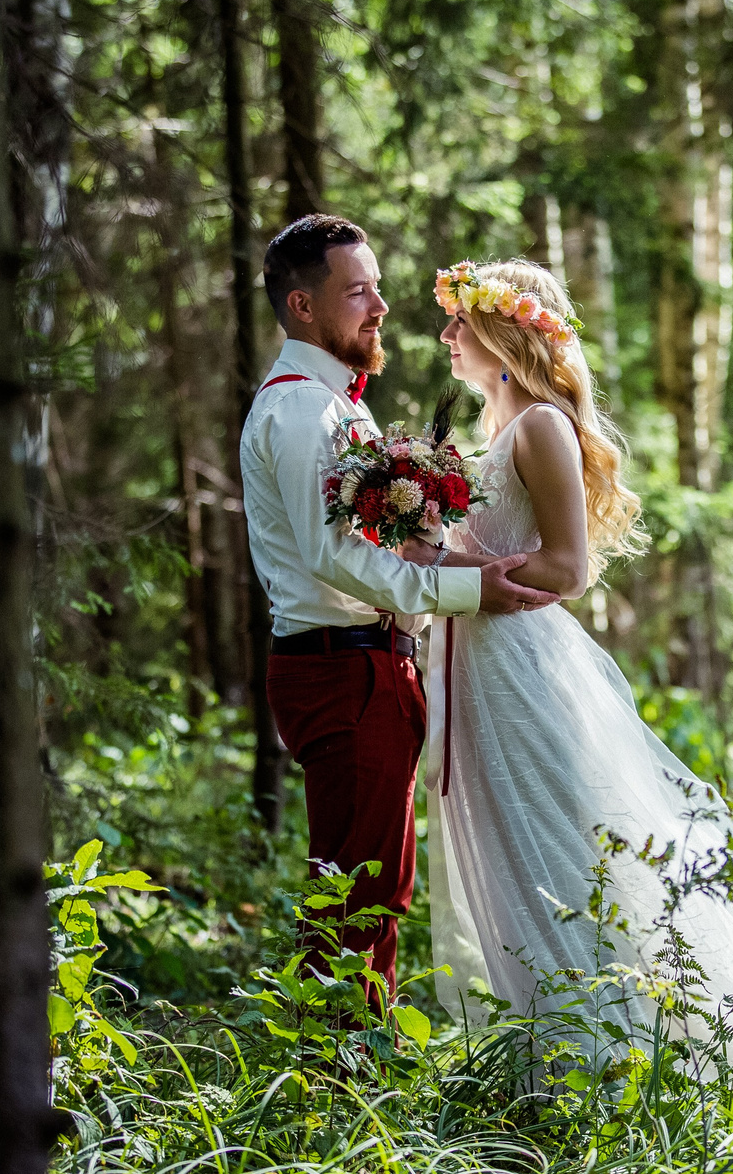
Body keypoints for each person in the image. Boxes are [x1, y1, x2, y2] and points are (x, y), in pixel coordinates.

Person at [403, 258, 733, 1098]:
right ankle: (548, 1062)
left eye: (459, 323)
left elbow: (567, 569)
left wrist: (446, 565)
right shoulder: (490, 431)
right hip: (474, 666)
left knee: (557, 847)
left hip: (520, 665)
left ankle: (613, 1062)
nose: (446, 337)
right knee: (503, 846)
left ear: (503, 333)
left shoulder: (541, 427)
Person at [238, 217, 558, 1003]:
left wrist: (449, 558)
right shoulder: (300, 411)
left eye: (376, 286)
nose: (380, 306)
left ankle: (351, 1051)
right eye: (358, 291)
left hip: (368, 667)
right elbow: (334, 558)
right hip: (341, 670)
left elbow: (385, 547)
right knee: (356, 894)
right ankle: (339, 1061)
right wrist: (470, 590)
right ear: (302, 306)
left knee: (374, 888)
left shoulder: (334, 406)